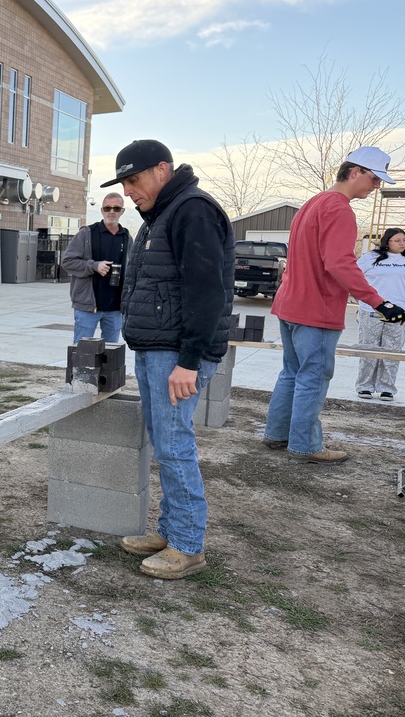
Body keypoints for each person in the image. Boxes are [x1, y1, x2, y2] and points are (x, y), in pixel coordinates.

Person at [102, 139, 235, 580]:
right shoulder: (163, 213)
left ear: (163, 170)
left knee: (175, 446)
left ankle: (187, 546)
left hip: (177, 354)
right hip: (157, 347)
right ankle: (171, 530)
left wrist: (190, 361)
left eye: (134, 180)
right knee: (165, 442)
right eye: (124, 182)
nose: (129, 190)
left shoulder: (192, 210)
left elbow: (207, 289)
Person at [263, 147, 405, 464]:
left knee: (292, 372)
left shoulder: (313, 203)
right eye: (374, 179)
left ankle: (277, 433)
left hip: (291, 305)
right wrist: (379, 302)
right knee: (313, 377)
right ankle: (305, 445)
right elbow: (340, 264)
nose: (376, 187)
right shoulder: (340, 210)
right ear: (355, 172)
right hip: (316, 310)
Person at [60, 192, 133, 343]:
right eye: (107, 208)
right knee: (82, 353)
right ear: (102, 210)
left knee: (111, 356)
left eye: (116, 208)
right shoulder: (87, 234)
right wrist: (94, 266)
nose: (111, 212)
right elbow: (67, 261)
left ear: (122, 211)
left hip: (115, 308)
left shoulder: (126, 237)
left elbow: (132, 269)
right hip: (88, 307)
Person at [355, 228, 405, 401]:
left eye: (404, 240)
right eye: (397, 240)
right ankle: (364, 386)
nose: (402, 243)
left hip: (400, 311)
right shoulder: (370, 258)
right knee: (369, 348)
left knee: (392, 351)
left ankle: (386, 388)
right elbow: (354, 277)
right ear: (387, 241)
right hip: (372, 310)